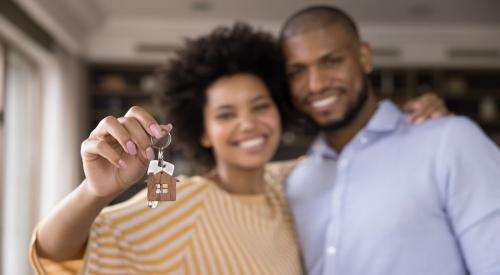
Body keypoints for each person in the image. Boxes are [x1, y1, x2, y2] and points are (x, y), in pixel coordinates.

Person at [30, 23, 447, 274]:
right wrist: (95, 193)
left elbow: (367, 154)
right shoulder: (184, 201)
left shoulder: (292, 179)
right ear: (204, 131)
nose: (248, 123)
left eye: (260, 106)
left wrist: (415, 121)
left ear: (280, 114)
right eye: (226, 114)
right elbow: (58, 255)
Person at [280, 5, 500, 275]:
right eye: (297, 72)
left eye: (332, 61)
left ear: (364, 57)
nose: (316, 84)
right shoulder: (296, 183)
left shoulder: (449, 142)